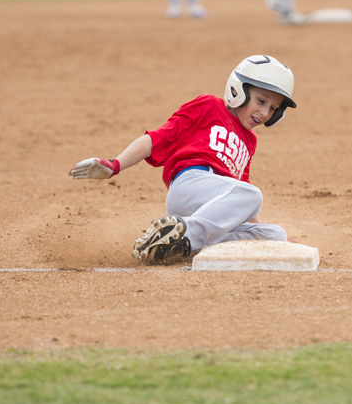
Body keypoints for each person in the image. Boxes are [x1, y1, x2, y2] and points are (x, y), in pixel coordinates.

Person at [69, 55, 298, 263]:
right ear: (239, 90)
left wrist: (277, 241)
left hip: (212, 206)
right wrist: (115, 164)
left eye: (273, 108)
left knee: (273, 234)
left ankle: (177, 244)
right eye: (261, 101)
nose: (265, 113)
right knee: (253, 194)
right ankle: (184, 234)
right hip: (190, 185)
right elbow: (158, 138)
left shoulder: (250, 141)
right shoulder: (210, 106)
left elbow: (240, 196)